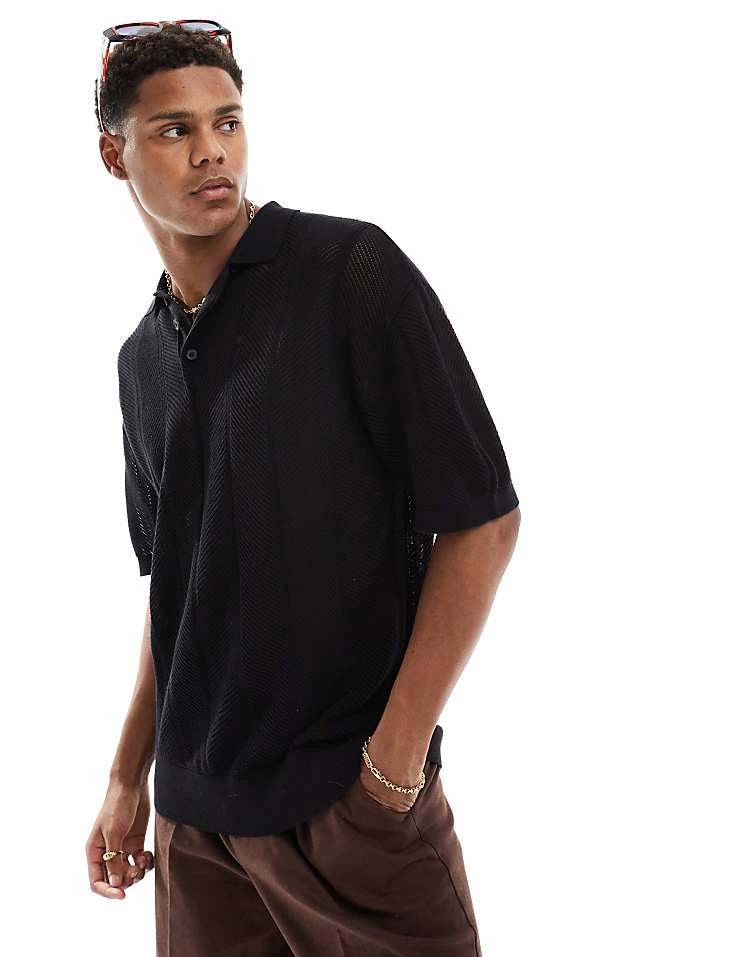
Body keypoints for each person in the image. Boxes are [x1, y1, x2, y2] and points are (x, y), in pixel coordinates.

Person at [85, 20, 521, 957]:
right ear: (114, 155)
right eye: (174, 129)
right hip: (196, 832)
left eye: (227, 121)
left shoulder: (348, 275)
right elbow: (175, 589)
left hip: (350, 813)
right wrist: (128, 775)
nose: (211, 150)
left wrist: (393, 766)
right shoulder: (140, 361)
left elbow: (483, 520)